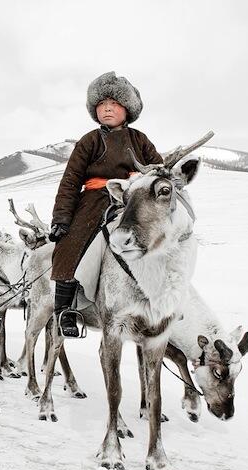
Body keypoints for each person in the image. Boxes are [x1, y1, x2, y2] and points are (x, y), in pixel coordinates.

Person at [49, 71, 164, 337]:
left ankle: (165, 300)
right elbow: (70, 181)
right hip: (93, 201)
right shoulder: (90, 140)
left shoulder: (140, 140)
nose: (107, 108)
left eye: (114, 103)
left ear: (128, 109)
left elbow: (159, 173)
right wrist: (61, 219)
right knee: (69, 245)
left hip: (132, 200)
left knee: (162, 241)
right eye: (101, 104)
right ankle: (65, 311)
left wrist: (143, 177)